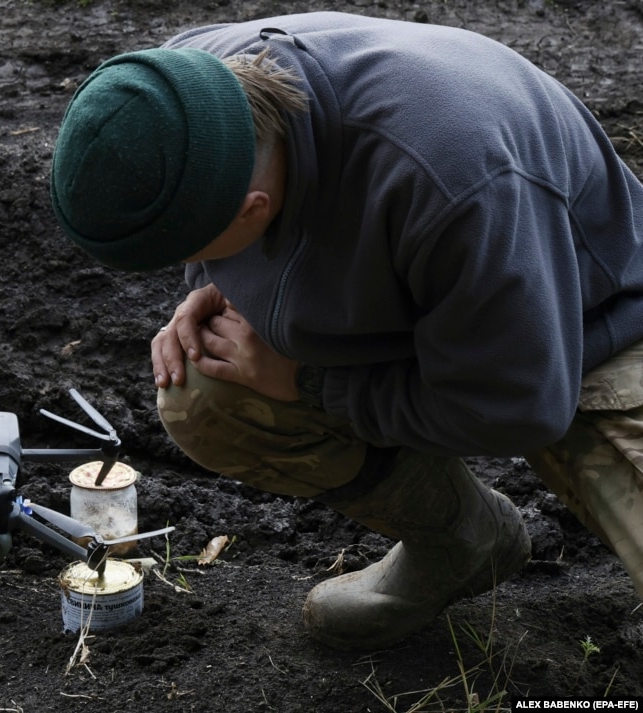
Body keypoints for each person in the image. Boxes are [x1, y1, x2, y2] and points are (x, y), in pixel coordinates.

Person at [49, 11, 643, 650]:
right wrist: (214, 284)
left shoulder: (456, 179)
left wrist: (309, 383)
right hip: (437, 290)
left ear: (253, 210)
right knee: (207, 390)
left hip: (588, 324)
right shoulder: (180, 92)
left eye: (193, 249)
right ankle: (464, 543)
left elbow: (520, 407)